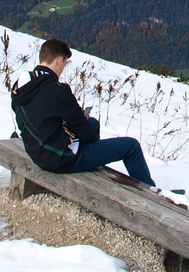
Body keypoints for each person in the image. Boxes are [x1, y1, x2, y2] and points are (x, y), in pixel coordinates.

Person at [11, 38, 157, 187]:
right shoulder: (57, 89)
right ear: (59, 61)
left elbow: (38, 116)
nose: (62, 69)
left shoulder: (22, 85)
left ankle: (91, 163)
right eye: (65, 64)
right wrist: (87, 135)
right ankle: (153, 193)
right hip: (60, 158)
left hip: (37, 151)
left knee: (92, 122)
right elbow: (83, 129)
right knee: (131, 146)